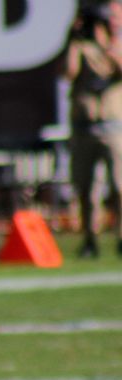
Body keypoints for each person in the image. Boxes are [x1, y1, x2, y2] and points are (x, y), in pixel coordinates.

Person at [63, 2, 122, 258]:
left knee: (119, 186)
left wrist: (106, 41)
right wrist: (73, 40)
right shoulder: (80, 47)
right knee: (86, 188)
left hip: (113, 127)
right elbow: (68, 72)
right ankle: (89, 238)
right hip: (84, 127)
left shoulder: (115, 46)